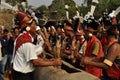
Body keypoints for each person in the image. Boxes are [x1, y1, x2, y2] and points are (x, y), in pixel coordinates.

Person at [12, 11, 62, 80]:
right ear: (28, 28)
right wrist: (53, 62)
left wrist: (47, 60)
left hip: (20, 74)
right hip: (23, 76)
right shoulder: (26, 42)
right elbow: (35, 62)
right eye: (34, 25)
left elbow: (33, 52)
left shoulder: (22, 37)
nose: (36, 27)